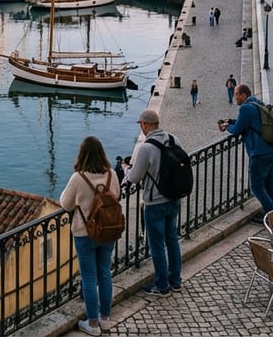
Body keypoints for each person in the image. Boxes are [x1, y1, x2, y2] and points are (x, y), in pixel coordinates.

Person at [60, 137, 120, 333]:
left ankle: (92, 323)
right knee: (104, 273)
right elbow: (117, 195)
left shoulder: (78, 178)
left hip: (84, 233)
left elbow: (66, 204)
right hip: (108, 230)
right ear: (102, 153)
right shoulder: (111, 174)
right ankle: (105, 318)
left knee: (88, 277)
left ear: (82, 155)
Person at [124, 109, 183, 297]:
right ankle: (176, 281)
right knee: (172, 240)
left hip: (155, 202)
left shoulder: (146, 148)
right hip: (174, 197)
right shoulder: (173, 139)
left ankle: (162, 285)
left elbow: (134, 177)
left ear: (144, 125)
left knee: (157, 245)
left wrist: (126, 170)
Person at [222, 85, 273, 220]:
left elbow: (237, 130)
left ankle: (272, 215)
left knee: (256, 186)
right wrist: (231, 121)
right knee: (270, 184)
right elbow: (248, 122)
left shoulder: (245, 108)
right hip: (272, 149)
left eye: (236, 94)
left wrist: (227, 126)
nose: (234, 97)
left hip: (259, 152)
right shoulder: (257, 103)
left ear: (243, 95)